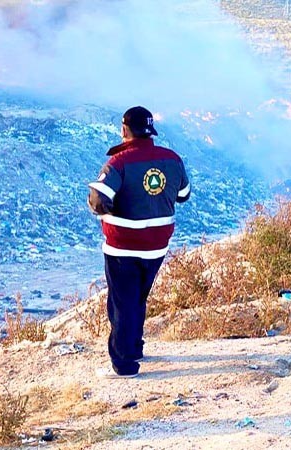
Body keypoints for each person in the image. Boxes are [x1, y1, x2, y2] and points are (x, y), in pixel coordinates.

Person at [87, 106, 191, 379]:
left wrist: (112, 212)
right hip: (157, 246)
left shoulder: (119, 162)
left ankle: (124, 365)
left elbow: (98, 199)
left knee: (122, 303)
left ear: (124, 130)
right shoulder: (172, 159)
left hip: (123, 246)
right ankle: (135, 347)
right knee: (138, 299)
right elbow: (183, 194)